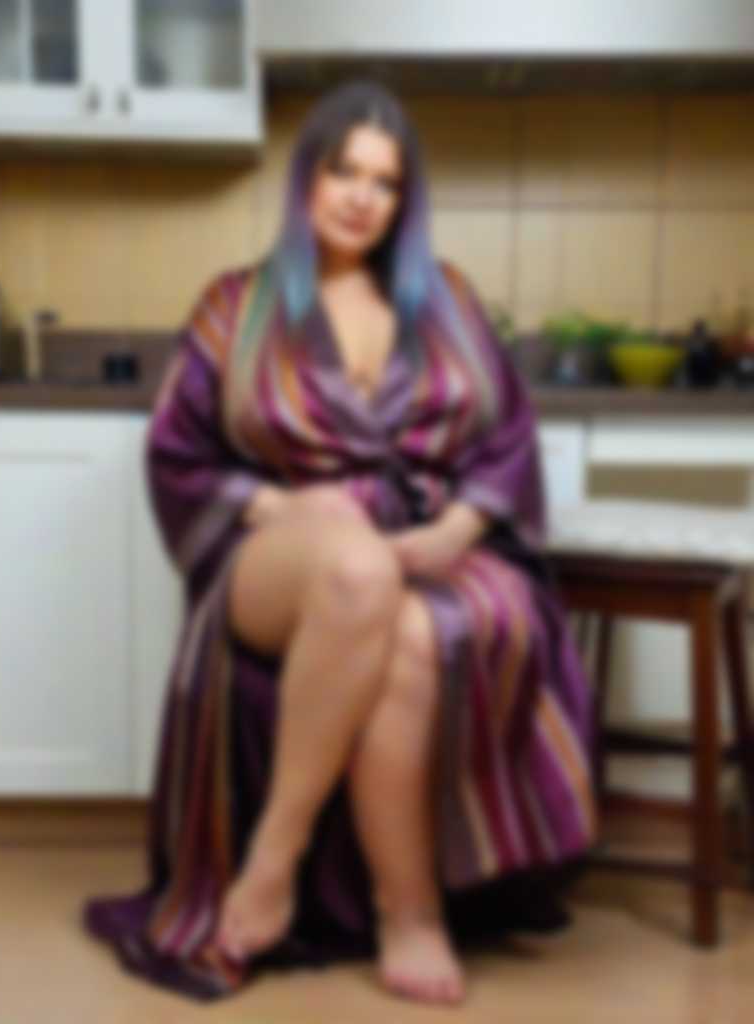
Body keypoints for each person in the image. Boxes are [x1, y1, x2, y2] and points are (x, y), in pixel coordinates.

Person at [82, 78, 599, 1007]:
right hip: (285, 555)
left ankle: (411, 912)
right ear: (306, 181)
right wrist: (281, 508)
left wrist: (455, 529)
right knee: (356, 568)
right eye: (342, 171)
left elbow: (509, 437)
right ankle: (274, 858)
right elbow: (176, 454)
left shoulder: (448, 300)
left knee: (409, 634)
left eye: (385, 182)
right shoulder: (235, 307)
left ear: (405, 200)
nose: (361, 197)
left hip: (430, 545)